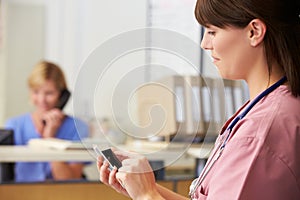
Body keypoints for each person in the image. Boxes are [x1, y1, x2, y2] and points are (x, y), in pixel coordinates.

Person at [97, 0, 300, 199]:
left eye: (212, 32)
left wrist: (146, 195)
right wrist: (146, 187)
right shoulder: (272, 106)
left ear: (254, 32)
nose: (204, 44)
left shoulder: (259, 133)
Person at [5, 61, 89, 182]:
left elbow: (69, 180)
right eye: (36, 92)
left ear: (62, 95)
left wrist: (49, 138)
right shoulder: (14, 126)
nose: (41, 99)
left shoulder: (77, 127)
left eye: (49, 93)